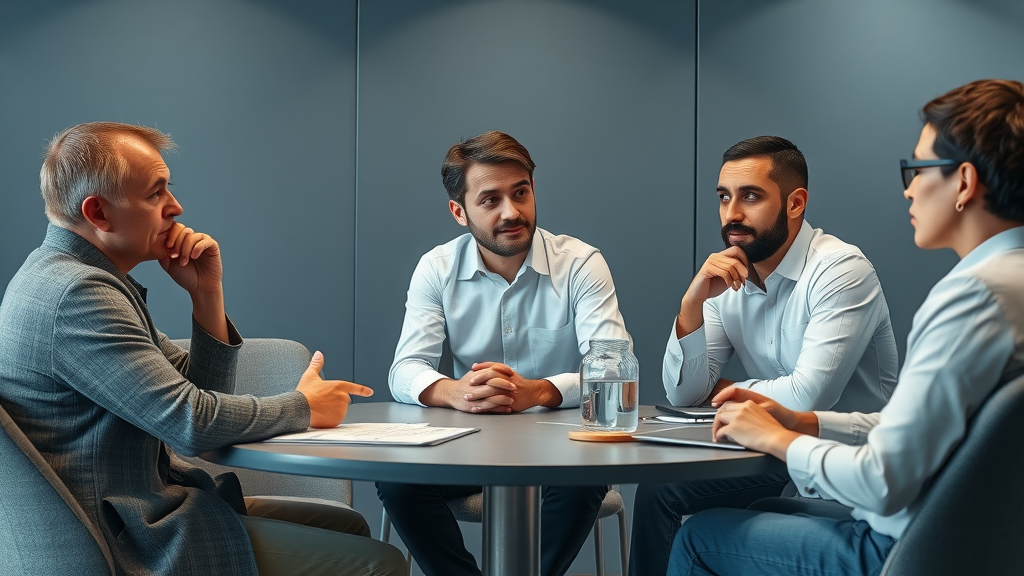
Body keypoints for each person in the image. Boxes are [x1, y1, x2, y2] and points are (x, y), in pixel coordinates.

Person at [0, 122, 406, 576]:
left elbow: (198, 393)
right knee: (380, 564)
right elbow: (190, 423)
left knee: (348, 525)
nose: (176, 207)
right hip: (124, 538)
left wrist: (206, 294)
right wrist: (304, 407)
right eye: (155, 193)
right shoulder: (77, 295)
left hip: (141, 512)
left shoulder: (73, 277)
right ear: (98, 212)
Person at [668, 78, 1024, 576]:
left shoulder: (973, 298)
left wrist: (780, 440)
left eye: (917, 169)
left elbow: (884, 480)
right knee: (758, 509)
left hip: (906, 543)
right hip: (969, 536)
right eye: (724, 196)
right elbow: (915, 431)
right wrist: (805, 423)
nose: (908, 188)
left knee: (698, 538)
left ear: (963, 182)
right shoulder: (1010, 283)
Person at [631, 136, 900, 576]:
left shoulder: (841, 270)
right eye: (724, 197)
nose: (732, 213)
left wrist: (728, 390)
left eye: (751, 196)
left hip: (848, 468)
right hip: (773, 456)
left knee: (697, 532)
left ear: (796, 203)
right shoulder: (726, 277)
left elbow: (807, 398)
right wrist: (691, 305)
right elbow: (684, 394)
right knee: (660, 490)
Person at [377, 130, 631, 576]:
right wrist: (454, 392)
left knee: (586, 476)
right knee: (397, 480)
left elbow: (612, 371)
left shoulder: (581, 264)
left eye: (521, 193)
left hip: (562, 447)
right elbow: (405, 369)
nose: (511, 212)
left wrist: (538, 391)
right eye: (490, 200)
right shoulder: (437, 268)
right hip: (468, 445)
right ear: (459, 212)